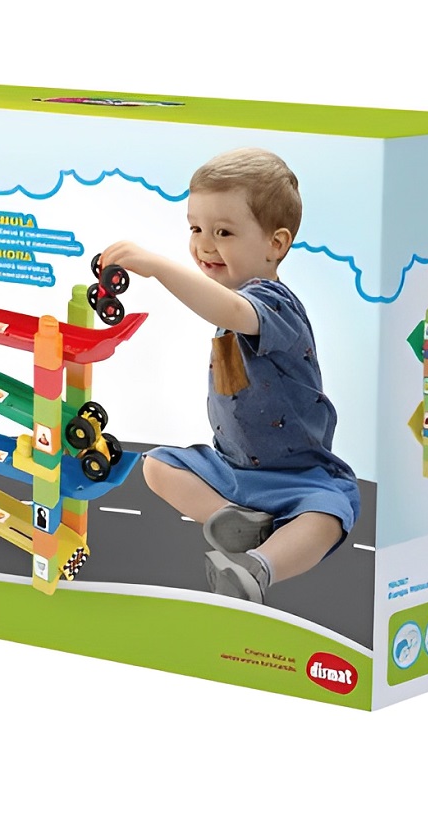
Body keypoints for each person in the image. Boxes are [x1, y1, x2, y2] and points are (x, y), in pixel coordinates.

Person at [98, 147, 359, 604]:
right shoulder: (232, 307)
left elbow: (231, 310)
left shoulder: (273, 304)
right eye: (195, 228)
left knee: (330, 514)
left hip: (300, 474)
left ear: (276, 245)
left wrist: (158, 267)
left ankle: (258, 568)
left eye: (223, 232)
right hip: (235, 470)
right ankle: (238, 521)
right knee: (157, 466)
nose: (204, 245)